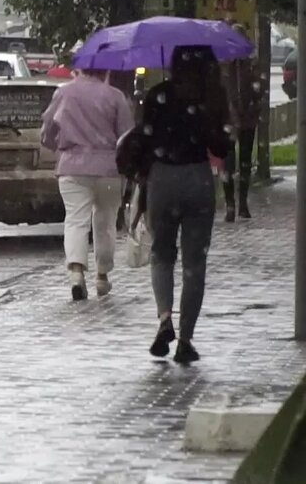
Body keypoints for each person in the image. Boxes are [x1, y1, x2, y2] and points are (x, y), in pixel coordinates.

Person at [137, 45, 229, 365]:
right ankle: (186, 339)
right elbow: (222, 146)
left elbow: (144, 141)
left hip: (162, 178)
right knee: (194, 265)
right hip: (198, 179)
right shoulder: (210, 100)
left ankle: (165, 319)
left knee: (161, 255)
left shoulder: (157, 96)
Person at [41, 68, 134, 301]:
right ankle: (102, 276)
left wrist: (57, 146)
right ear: (105, 71)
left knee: (75, 220)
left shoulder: (64, 94)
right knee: (106, 222)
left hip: (72, 167)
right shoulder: (115, 96)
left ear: (80, 68)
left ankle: (76, 272)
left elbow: (48, 129)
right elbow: (127, 135)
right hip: (109, 168)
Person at [222, 56, 260, 221]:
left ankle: (242, 203)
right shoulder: (223, 67)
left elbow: (258, 92)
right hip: (228, 122)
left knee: (245, 162)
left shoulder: (251, 66)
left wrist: (251, 108)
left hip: (247, 121)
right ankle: (230, 204)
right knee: (228, 163)